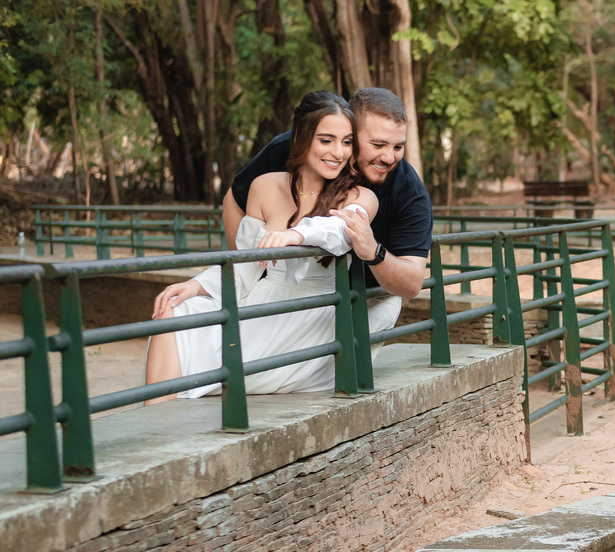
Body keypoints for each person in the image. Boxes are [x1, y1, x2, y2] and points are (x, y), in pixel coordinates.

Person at [144, 91, 403, 401]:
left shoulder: (360, 197)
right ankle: (159, 430)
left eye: (347, 142)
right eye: (326, 140)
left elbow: (339, 231)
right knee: (173, 313)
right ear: (302, 139)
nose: (338, 152)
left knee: (217, 369)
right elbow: (247, 266)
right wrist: (196, 285)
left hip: (315, 316)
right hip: (263, 302)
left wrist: (296, 235)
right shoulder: (265, 186)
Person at [222, 87, 431, 302]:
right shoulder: (297, 148)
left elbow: (412, 283)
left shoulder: (408, 192)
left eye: (398, 147)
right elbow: (235, 200)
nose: (389, 157)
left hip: (372, 295)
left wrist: (374, 252)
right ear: (350, 131)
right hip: (290, 289)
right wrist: (248, 278)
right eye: (378, 145)